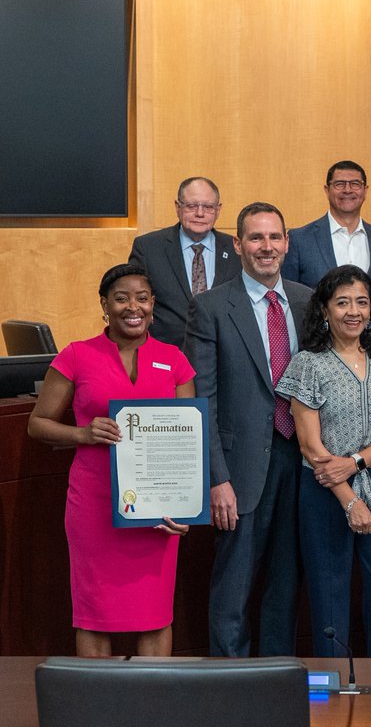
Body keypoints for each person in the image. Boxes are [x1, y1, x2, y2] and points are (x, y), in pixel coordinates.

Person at [28, 263, 193, 656]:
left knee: (155, 612)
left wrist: (186, 506)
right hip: (96, 505)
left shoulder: (174, 360)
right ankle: (94, 709)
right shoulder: (77, 355)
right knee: (94, 613)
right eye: (121, 298)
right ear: (105, 304)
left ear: (153, 304)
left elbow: (189, 438)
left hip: (157, 510)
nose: (132, 307)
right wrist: (82, 434)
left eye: (141, 298)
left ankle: (152, 709)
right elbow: (37, 424)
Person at [185, 202, 312, 657]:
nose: (266, 247)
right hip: (238, 472)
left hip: (300, 463)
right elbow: (202, 401)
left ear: (286, 243)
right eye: (256, 238)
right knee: (234, 585)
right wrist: (217, 478)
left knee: (285, 583)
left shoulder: (306, 300)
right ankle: (230, 683)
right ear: (237, 244)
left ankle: (275, 675)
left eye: (274, 237)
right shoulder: (211, 307)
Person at [276, 264, 371, 657]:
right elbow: (310, 446)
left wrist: (355, 463)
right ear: (325, 310)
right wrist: (349, 499)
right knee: (329, 599)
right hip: (324, 492)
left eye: (362, 302)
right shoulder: (308, 364)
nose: (353, 311)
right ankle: (332, 690)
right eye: (343, 302)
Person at [128, 177, 240, 346]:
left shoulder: (236, 250)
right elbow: (134, 302)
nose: (200, 213)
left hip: (224, 353)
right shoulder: (148, 248)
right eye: (192, 206)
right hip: (166, 355)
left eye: (208, 207)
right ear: (177, 207)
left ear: (218, 210)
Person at [282, 160, 371, 308]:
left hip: (366, 331)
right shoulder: (299, 240)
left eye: (355, 184)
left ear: (365, 190)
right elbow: (288, 296)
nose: (347, 190)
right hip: (311, 330)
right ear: (327, 190)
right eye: (339, 184)